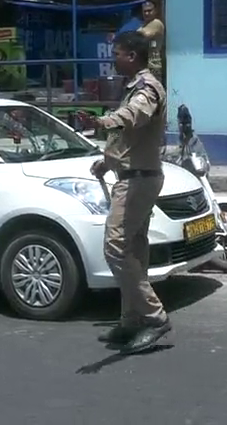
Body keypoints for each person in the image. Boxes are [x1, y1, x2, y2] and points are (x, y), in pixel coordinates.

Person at [85, 30, 171, 355]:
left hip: (138, 181)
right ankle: (132, 319)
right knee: (133, 250)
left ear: (131, 56)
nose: (113, 58)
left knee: (115, 248)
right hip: (133, 175)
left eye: (117, 53)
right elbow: (130, 136)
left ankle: (154, 316)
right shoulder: (134, 87)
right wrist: (107, 163)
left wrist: (101, 122)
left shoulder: (146, 89)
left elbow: (132, 119)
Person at [136, 0, 165, 83]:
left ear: (155, 11)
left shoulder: (156, 23)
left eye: (149, 11)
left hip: (154, 66)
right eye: (145, 11)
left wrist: (136, 33)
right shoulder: (143, 25)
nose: (147, 13)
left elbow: (145, 36)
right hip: (144, 65)